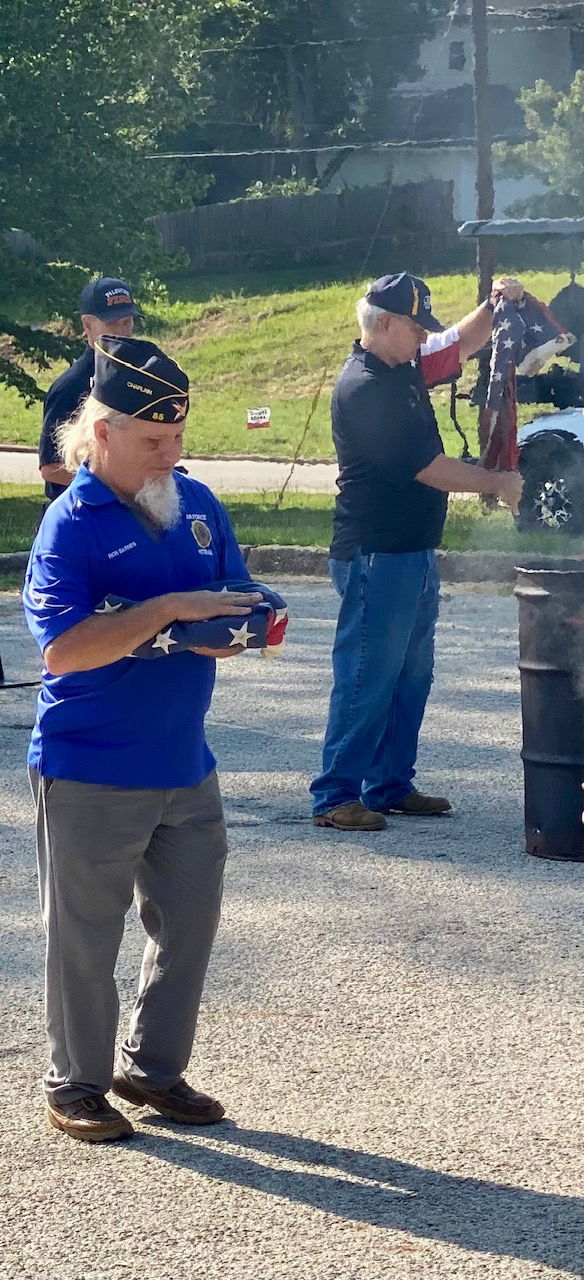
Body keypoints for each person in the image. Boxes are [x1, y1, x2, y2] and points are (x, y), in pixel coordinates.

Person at [24, 334, 264, 1143]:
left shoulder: (194, 503)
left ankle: (153, 1071)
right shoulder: (68, 526)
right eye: (154, 440)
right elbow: (61, 649)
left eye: (178, 437)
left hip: (184, 762)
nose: (172, 452)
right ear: (101, 432)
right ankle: (76, 1084)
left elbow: (234, 589)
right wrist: (166, 615)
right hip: (90, 764)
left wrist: (253, 619)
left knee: (190, 924)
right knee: (86, 936)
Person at [310, 272, 525, 831]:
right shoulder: (366, 388)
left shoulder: (399, 364)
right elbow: (428, 470)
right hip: (376, 552)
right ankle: (335, 794)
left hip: (410, 550)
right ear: (383, 324)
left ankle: (388, 784)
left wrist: (495, 304)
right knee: (367, 674)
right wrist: (496, 482)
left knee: (411, 674)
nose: (421, 337)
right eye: (413, 326)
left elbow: (458, 343)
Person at [39, 277, 140, 502]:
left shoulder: (137, 378)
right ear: (87, 325)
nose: (123, 332)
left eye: (127, 321)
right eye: (113, 323)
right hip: (80, 515)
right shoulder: (70, 387)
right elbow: (51, 468)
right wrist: (116, 485)